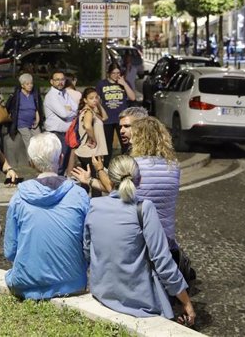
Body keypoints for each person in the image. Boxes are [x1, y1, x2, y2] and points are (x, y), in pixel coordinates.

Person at [84, 154, 195, 325]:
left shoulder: (94, 206)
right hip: (140, 303)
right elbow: (162, 261)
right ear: (139, 180)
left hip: (102, 293)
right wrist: (186, 301)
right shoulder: (144, 208)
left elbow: (87, 251)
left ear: (110, 181)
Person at [3, 132, 90, 300]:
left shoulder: (19, 198)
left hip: (27, 283)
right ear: (61, 157)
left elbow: (10, 251)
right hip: (72, 282)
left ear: (31, 163)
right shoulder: (79, 195)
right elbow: (88, 247)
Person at [71, 106, 149, 199]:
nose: (121, 131)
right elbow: (115, 189)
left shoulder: (140, 159)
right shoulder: (160, 156)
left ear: (141, 127)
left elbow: (111, 188)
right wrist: (89, 180)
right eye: (121, 127)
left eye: (127, 126)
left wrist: (99, 169)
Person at [130, 117, 182, 252]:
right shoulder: (174, 166)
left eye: (133, 137)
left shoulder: (133, 165)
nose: (130, 140)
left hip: (139, 235)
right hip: (165, 236)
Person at [96, 62, 136, 167]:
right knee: (107, 146)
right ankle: (106, 167)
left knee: (126, 144)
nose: (116, 75)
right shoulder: (102, 84)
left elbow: (132, 97)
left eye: (118, 73)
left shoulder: (124, 83)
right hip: (108, 119)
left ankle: (126, 165)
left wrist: (124, 84)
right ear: (109, 73)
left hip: (121, 119)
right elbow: (97, 101)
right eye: (113, 73)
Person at [73, 87, 108, 195]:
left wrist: (97, 104)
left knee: (85, 180)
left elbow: (105, 117)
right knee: (95, 181)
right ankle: (96, 205)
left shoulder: (91, 111)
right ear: (85, 100)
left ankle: (82, 202)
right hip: (90, 152)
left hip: (86, 151)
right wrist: (93, 139)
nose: (95, 100)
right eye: (91, 98)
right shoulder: (88, 112)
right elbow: (88, 126)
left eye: (96, 97)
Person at [43, 70, 78, 176]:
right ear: (51, 82)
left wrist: (69, 109)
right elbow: (64, 114)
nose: (60, 82)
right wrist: (69, 109)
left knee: (64, 163)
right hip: (56, 134)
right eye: (57, 80)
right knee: (58, 164)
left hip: (66, 133)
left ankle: (60, 185)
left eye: (62, 79)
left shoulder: (65, 93)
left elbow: (76, 108)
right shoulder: (51, 96)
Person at [6, 73, 42, 164]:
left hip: (33, 121)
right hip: (21, 122)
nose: (30, 85)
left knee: (39, 138)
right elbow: (11, 108)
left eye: (31, 83)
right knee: (29, 140)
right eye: (27, 84)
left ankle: (40, 158)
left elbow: (37, 107)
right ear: (22, 85)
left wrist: (37, 119)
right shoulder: (17, 95)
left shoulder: (34, 93)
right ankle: (32, 161)